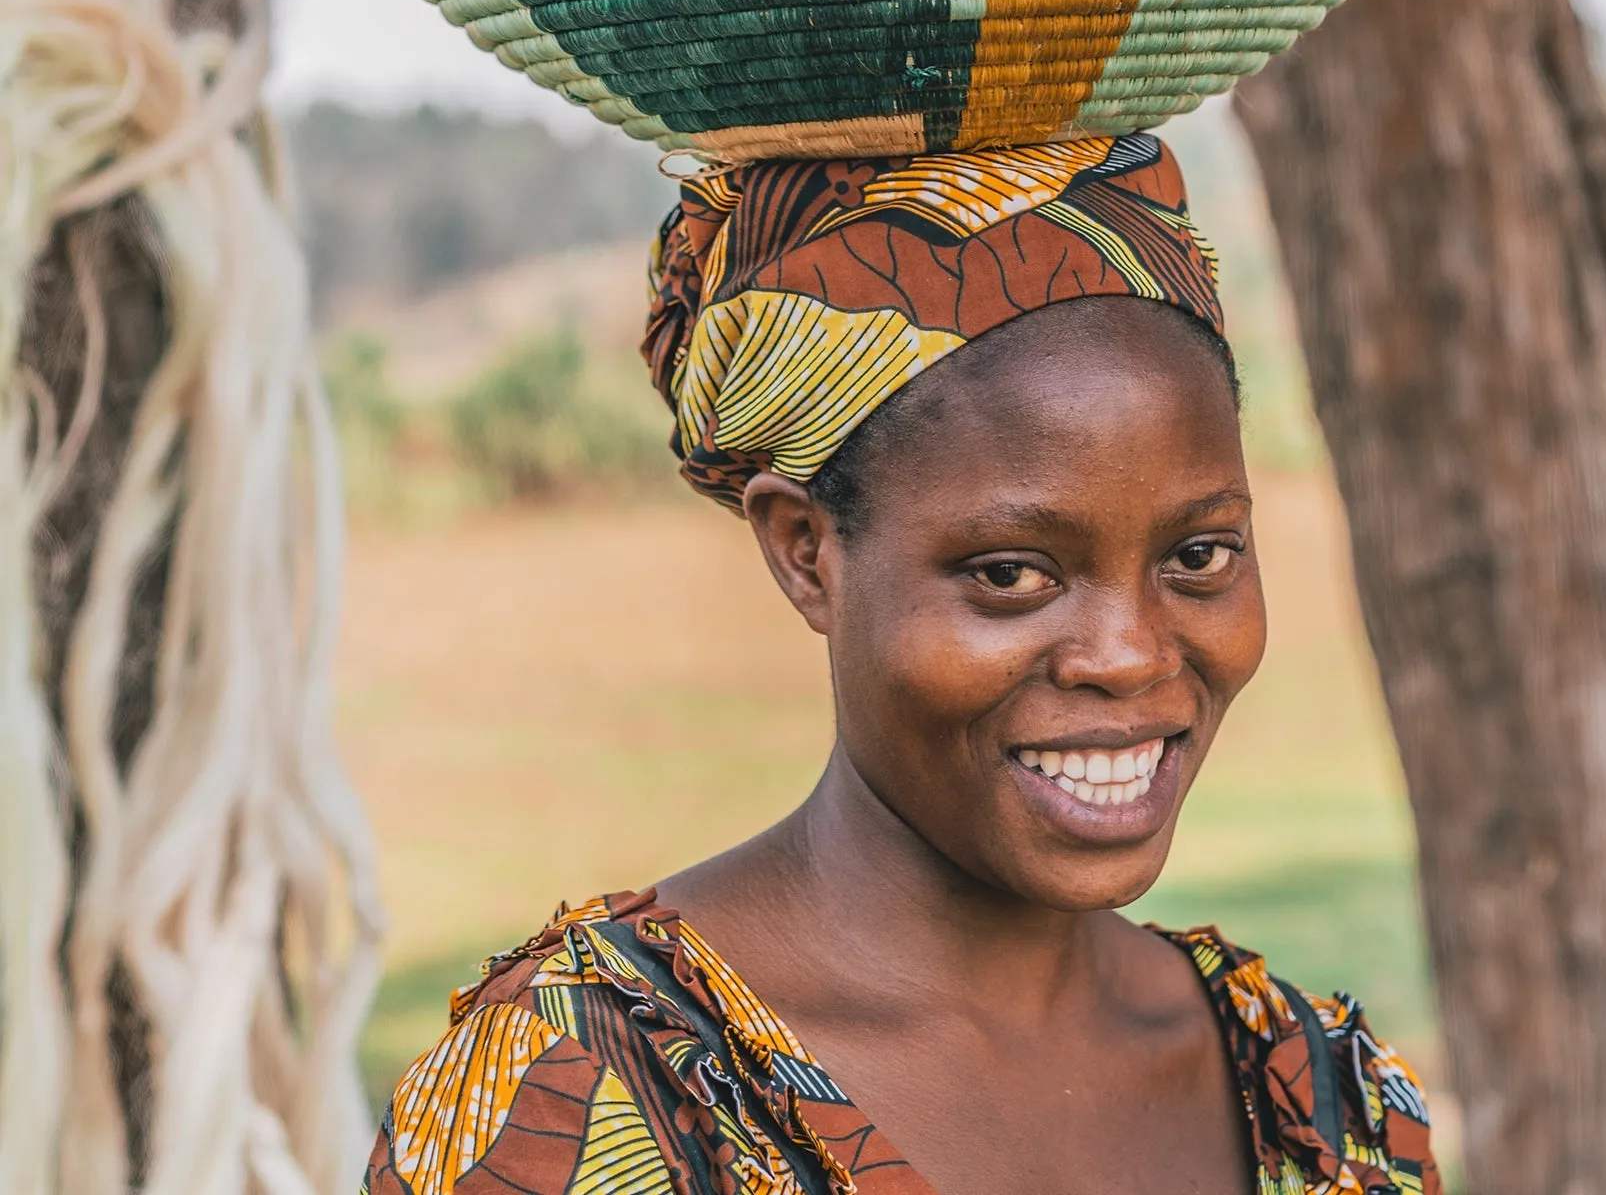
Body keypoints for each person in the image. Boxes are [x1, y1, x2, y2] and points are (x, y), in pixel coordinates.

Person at [364, 137, 1440, 1195]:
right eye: (1012, 575)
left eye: (1198, 557)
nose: (1130, 655)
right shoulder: (586, 1097)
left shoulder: (1322, 1101)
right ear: (805, 552)